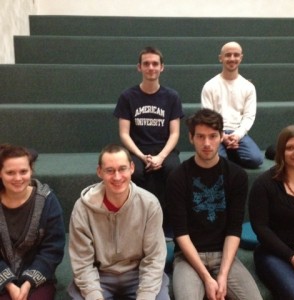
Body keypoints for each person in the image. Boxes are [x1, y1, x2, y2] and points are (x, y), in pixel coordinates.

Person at [166, 108, 262, 300]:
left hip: (224, 255)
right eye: (200, 137)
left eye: (212, 136)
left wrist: (223, 275)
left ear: (221, 137)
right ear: (191, 138)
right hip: (188, 258)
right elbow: (181, 233)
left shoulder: (236, 175)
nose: (207, 143)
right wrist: (207, 277)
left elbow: (234, 229)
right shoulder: (177, 177)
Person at [68, 144, 170, 300]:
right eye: (110, 170)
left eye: (122, 169)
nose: (117, 177)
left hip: (138, 274)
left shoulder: (149, 204)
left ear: (132, 168)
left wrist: (146, 295)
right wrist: (95, 296)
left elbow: (154, 258)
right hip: (100, 276)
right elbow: (82, 263)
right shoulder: (82, 208)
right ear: (99, 172)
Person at [113, 46, 184, 212]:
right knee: (135, 172)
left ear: (162, 67)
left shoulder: (172, 96)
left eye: (155, 64)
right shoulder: (127, 96)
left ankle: (168, 222)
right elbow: (124, 134)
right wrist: (141, 156)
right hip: (137, 150)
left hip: (164, 149)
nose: (151, 68)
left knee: (174, 171)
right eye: (146, 64)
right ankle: (138, 219)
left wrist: (161, 157)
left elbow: (175, 133)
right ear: (139, 67)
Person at [0, 144, 65, 300]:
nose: (18, 178)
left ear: (31, 171)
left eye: (23, 171)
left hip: (37, 280)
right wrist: (9, 284)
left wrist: (28, 283)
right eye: (10, 172)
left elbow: (52, 249)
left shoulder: (47, 200)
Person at [249, 125, 294, 299]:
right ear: (280, 151)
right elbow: (261, 228)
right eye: (290, 148)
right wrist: (292, 257)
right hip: (274, 253)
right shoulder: (264, 184)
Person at [201, 41, 263, 169]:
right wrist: (222, 136)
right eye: (228, 55)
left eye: (236, 55)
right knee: (214, 160)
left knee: (256, 159)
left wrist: (237, 135)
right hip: (215, 132)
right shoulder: (210, 85)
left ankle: (229, 154)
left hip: (238, 133)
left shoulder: (248, 87)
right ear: (221, 58)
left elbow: (249, 116)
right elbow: (208, 117)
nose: (232, 58)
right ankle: (229, 155)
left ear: (241, 58)